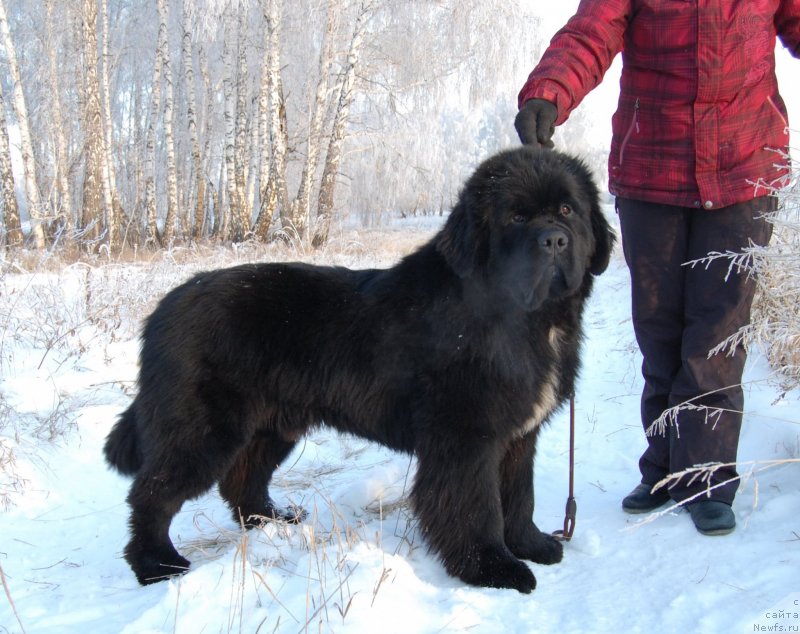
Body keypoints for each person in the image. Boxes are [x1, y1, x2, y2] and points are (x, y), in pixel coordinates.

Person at [515, 1, 799, 535]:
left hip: (744, 172)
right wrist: (547, 91)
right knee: (660, 333)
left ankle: (708, 479)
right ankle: (664, 471)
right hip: (653, 171)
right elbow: (591, 32)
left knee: (717, 337)